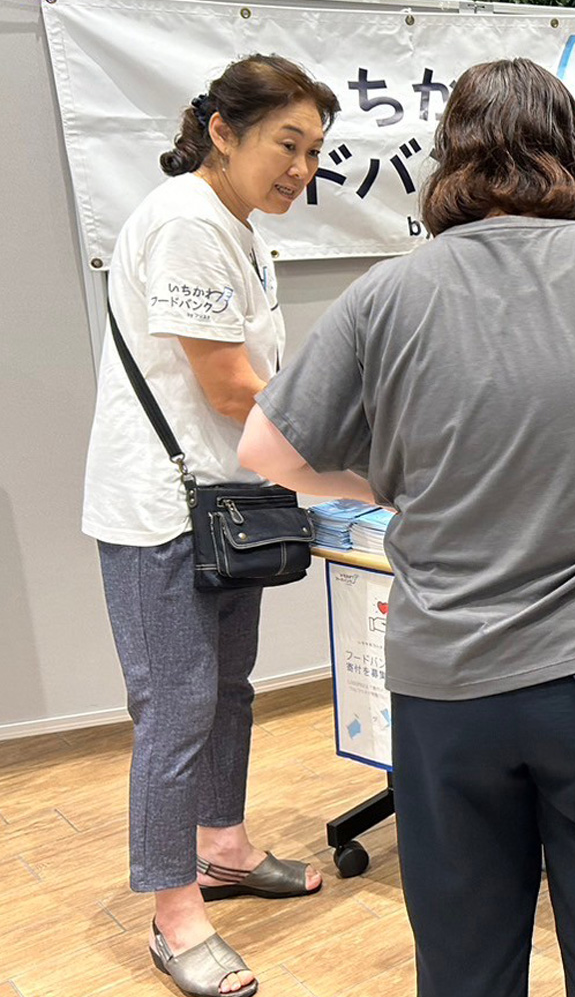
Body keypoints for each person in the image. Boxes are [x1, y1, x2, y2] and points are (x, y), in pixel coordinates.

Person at [239, 58, 575, 997]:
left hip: (445, 685)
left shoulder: (388, 291)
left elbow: (267, 453)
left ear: (450, 157)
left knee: (463, 959)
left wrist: (390, 478)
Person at [81, 55, 337, 997]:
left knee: (229, 691)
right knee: (177, 709)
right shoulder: (188, 221)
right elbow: (232, 389)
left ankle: (223, 848)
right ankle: (173, 911)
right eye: (286, 144)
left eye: (314, 151)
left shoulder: (237, 228)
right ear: (223, 130)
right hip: (159, 513)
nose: (301, 169)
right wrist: (344, 453)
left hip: (223, 506)